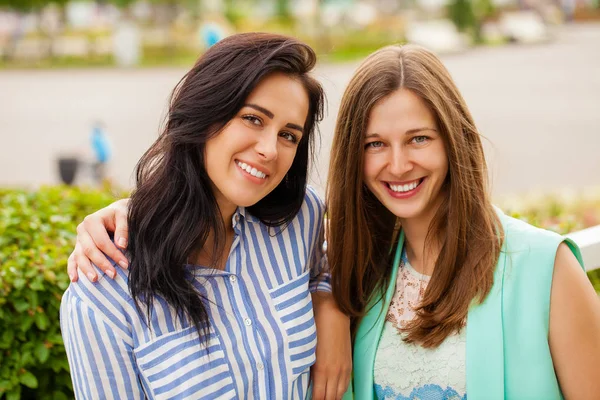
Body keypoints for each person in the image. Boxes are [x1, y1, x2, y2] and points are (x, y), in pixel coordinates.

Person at [60, 32, 351, 400]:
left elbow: (331, 267)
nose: (269, 150)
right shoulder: (103, 293)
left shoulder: (300, 218)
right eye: (253, 119)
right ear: (205, 110)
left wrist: (331, 305)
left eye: (289, 136)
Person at [325, 44, 600, 399]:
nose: (397, 165)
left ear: (453, 139)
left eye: (419, 138)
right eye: (375, 144)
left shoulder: (547, 267)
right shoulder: (357, 271)